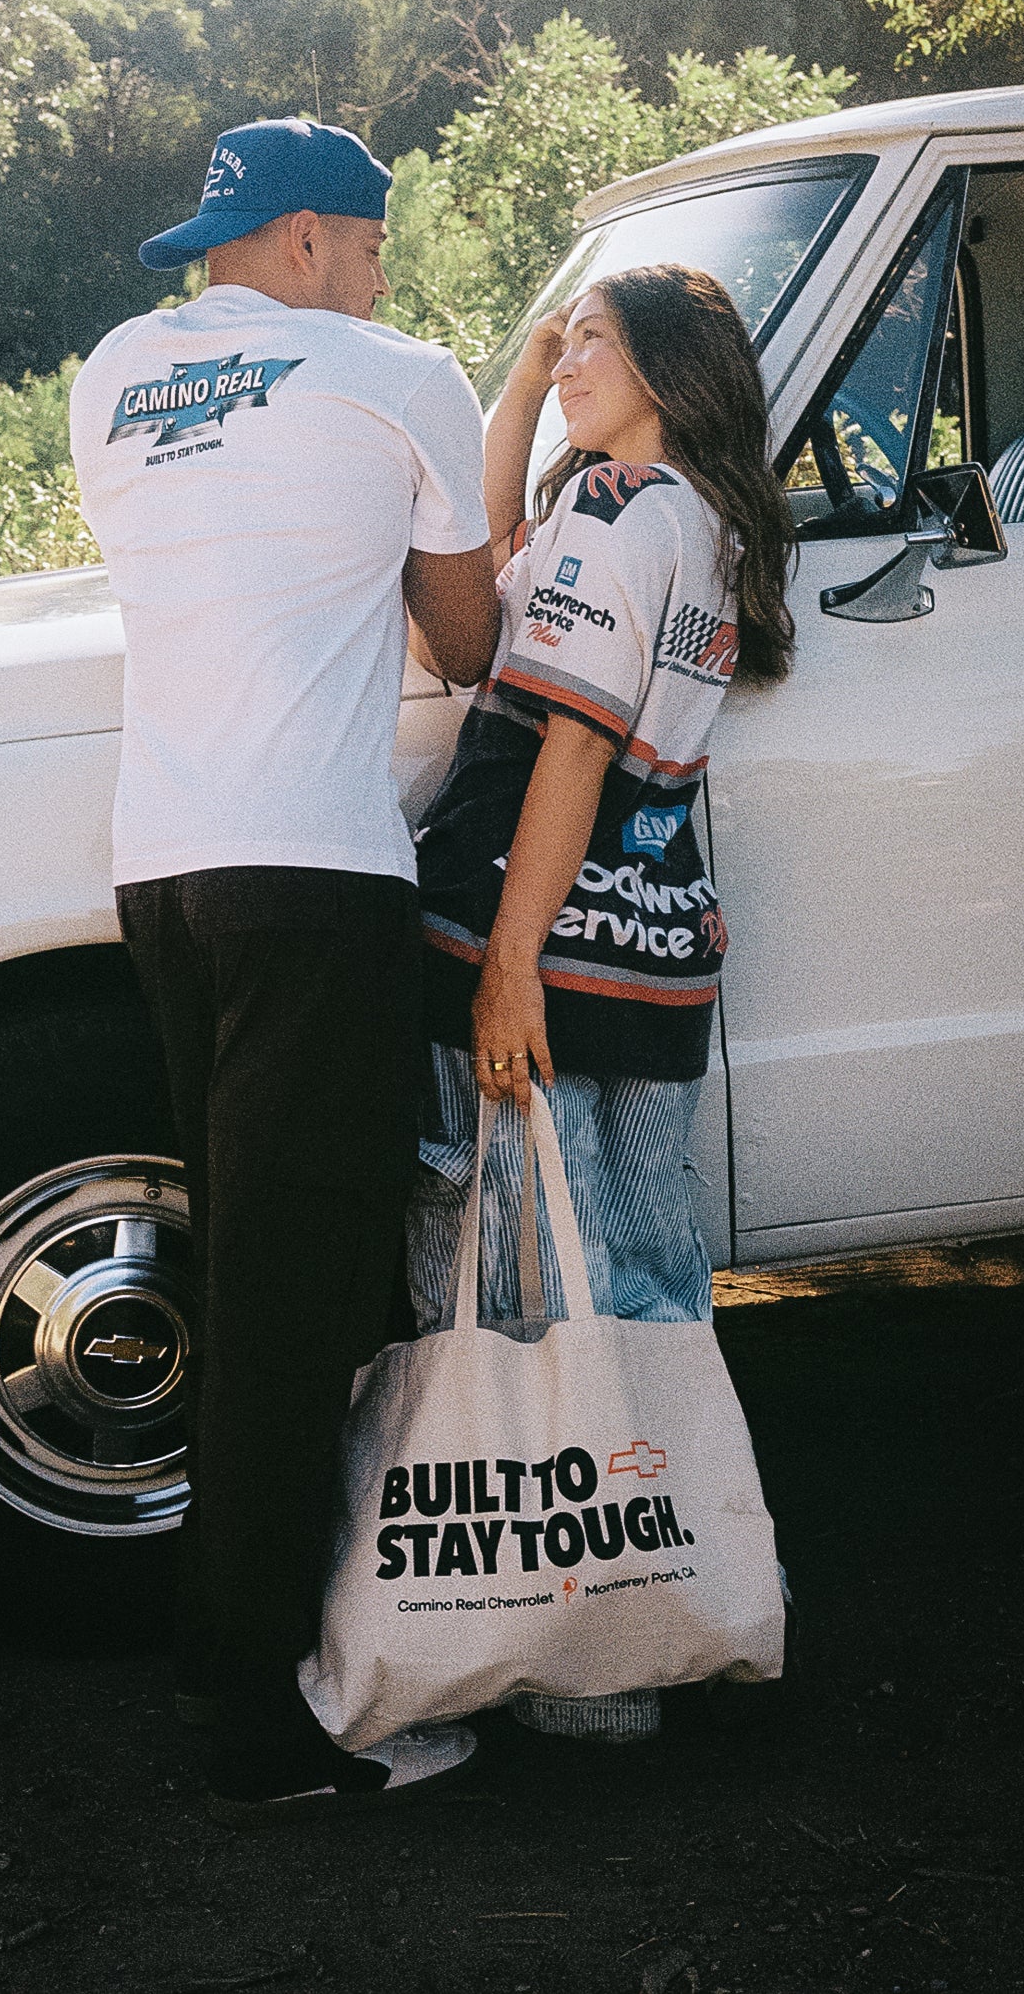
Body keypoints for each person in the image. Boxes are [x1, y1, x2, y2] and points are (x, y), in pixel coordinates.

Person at [69, 118, 499, 1821]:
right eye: (377, 241)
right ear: (314, 239)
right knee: (298, 1300)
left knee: (249, 1267)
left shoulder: (112, 373)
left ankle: (287, 1643)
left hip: (161, 870)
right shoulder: (403, 374)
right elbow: (464, 638)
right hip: (317, 874)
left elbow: (223, 559)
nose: (387, 271)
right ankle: (258, 1713)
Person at [406, 263, 797, 1742]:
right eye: (562, 339)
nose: (567, 358)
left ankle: (572, 1667)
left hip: (544, 951)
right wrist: (518, 393)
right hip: (654, 954)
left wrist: (505, 960)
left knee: (521, 1279)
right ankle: (666, 1608)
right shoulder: (700, 517)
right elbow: (505, 561)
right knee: (646, 1280)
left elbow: (565, 740)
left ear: (669, 368)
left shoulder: (621, 512)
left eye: (593, 343)